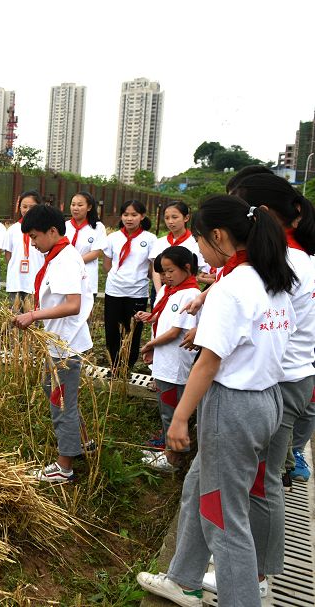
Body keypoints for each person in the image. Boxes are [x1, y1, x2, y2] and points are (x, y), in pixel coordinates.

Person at [137, 195, 296, 607]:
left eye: (202, 242)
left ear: (220, 237)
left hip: (234, 406)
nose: (200, 251)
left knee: (224, 518)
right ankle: (184, 578)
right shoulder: (273, 279)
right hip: (268, 399)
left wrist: (178, 420)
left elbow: (208, 363)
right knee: (199, 488)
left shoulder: (232, 289)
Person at [203, 172, 315, 595]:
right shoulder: (292, 260)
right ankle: (196, 573)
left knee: (252, 486)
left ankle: (255, 577)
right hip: (284, 380)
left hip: (266, 384)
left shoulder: (280, 264)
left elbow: (233, 340)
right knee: (222, 482)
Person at [13, 204, 93, 483]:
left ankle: (64, 467)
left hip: (65, 345)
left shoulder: (65, 260)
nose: (32, 244)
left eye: (34, 237)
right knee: (65, 399)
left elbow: (72, 305)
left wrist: (33, 315)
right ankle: (82, 443)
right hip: (59, 341)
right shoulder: (58, 256)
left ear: (53, 231)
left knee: (61, 404)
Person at [135, 246, 200, 473]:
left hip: (175, 362)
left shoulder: (190, 294)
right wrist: (150, 317)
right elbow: (162, 318)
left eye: (170, 271)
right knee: (166, 407)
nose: (166, 276)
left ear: (187, 268)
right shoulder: (168, 291)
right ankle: (168, 446)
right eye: (162, 272)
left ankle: (175, 458)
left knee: (173, 408)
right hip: (164, 360)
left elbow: (175, 332)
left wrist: (150, 345)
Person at [102, 200, 154, 370]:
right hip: (114, 290)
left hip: (137, 292)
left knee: (132, 331)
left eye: (134, 215)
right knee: (112, 330)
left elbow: (151, 268)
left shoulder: (150, 239)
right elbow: (107, 265)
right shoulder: (113, 238)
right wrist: (117, 278)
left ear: (142, 216)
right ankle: (114, 365)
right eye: (125, 215)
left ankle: (127, 366)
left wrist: (137, 279)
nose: (129, 219)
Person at [149, 201, 210, 294]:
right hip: (161, 289)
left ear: (186, 218)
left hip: (185, 290)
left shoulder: (195, 242)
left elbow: (205, 269)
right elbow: (155, 270)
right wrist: (159, 292)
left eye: (175, 217)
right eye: (167, 218)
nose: (170, 221)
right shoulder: (160, 242)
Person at [4, 191, 43, 311]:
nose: (27, 210)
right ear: (19, 207)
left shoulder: (43, 229)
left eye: (32, 207)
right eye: (24, 206)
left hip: (34, 279)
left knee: (32, 320)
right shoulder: (12, 230)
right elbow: (8, 255)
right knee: (14, 318)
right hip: (16, 281)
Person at [64, 192, 107, 302]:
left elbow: (95, 253)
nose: (75, 208)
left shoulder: (98, 227)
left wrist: (74, 262)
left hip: (86, 276)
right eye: (73, 205)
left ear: (89, 207)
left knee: (84, 316)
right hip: (65, 275)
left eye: (80, 205)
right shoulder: (64, 226)